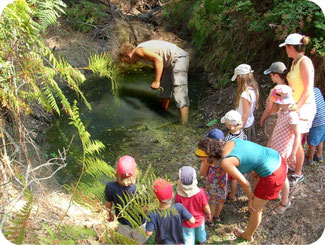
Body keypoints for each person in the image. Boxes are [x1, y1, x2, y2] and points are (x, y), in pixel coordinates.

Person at [196, 138, 287, 242]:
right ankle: (255, 205)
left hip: (273, 174)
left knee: (255, 210)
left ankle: (248, 235)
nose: (202, 163)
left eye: (203, 160)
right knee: (255, 181)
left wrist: (250, 199)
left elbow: (245, 183)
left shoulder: (225, 162)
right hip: (276, 157)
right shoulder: (229, 142)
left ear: (211, 157)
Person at [119, 40, 190, 124]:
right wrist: (161, 80)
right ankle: (163, 113)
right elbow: (160, 60)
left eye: (125, 61)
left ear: (127, 56)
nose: (127, 63)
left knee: (179, 91)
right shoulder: (140, 52)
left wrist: (157, 81)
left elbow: (158, 59)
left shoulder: (138, 51)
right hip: (169, 63)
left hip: (179, 58)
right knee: (165, 88)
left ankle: (185, 124)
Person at [279, 33, 316, 185]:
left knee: (297, 139)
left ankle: (298, 172)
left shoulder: (305, 62)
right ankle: (291, 164)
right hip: (295, 104)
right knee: (293, 138)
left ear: (291, 47)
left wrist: (297, 107)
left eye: (286, 47)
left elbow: (308, 88)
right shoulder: (295, 61)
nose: (285, 50)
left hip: (304, 106)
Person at [267, 85, 300, 215]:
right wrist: (270, 141)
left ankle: (285, 202)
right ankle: (277, 193)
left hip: (283, 148)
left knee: (282, 175)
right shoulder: (282, 111)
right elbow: (277, 128)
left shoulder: (292, 116)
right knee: (276, 171)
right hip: (275, 145)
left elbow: (297, 135)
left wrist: (292, 154)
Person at [105, 155, 147, 244]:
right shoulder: (140, 190)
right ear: (135, 173)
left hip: (123, 222)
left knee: (125, 242)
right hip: (139, 223)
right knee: (141, 241)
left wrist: (109, 214)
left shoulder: (110, 187)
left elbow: (108, 203)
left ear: (116, 172)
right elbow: (144, 209)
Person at [145, 178, 195, 244]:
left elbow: (148, 233)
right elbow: (192, 221)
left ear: (155, 199)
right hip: (177, 242)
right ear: (172, 195)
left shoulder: (153, 214)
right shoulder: (179, 207)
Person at [175, 166, 211, 244]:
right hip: (200, 218)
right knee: (201, 230)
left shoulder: (178, 195)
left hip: (186, 221)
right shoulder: (200, 192)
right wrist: (209, 214)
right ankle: (202, 241)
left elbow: (177, 209)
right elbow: (205, 206)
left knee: (188, 235)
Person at [200, 128, 227, 226]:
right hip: (223, 181)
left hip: (212, 183)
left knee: (211, 202)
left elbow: (203, 173)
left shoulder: (210, 157)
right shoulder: (226, 153)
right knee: (220, 200)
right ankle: (217, 217)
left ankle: (210, 220)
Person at [221, 110, 247, 202]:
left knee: (231, 178)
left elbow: (225, 150)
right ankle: (232, 195)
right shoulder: (242, 133)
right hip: (239, 158)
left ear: (230, 126)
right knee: (234, 179)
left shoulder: (229, 138)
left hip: (231, 159)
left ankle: (228, 194)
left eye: (226, 123)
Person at [231, 64, 259, 140]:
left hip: (244, 126)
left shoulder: (245, 94)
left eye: (237, 77)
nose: (236, 80)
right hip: (250, 122)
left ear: (240, 78)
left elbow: (245, 115)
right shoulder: (253, 89)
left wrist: (239, 131)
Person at [260, 62, 287, 140]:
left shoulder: (274, 91)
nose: (270, 77)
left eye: (271, 75)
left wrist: (262, 119)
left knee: (270, 141)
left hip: (272, 119)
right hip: (282, 120)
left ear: (276, 76)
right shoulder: (287, 89)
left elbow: (269, 109)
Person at [306, 87, 325, 165]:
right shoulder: (316, 89)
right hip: (324, 119)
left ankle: (310, 160)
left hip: (318, 121)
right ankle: (319, 156)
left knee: (312, 142)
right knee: (320, 140)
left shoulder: (307, 94)